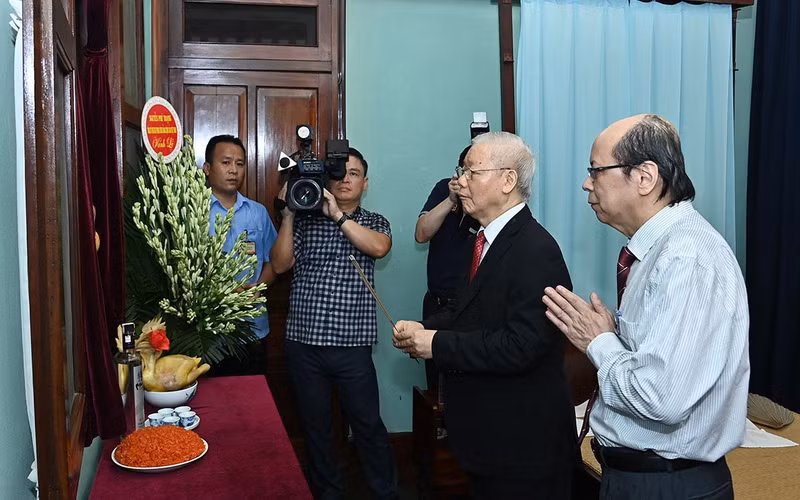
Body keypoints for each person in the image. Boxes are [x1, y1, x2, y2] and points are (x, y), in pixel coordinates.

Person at [542, 114, 749, 500]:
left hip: (667, 484)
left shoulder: (687, 258)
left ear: (644, 177)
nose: (587, 183)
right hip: (642, 479)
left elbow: (662, 398)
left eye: (597, 170)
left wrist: (599, 342)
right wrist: (613, 337)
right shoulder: (654, 251)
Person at [394, 132, 576, 499]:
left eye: (471, 172)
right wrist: (425, 328)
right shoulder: (483, 240)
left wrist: (437, 343)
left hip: (523, 448)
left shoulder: (535, 250)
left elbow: (521, 346)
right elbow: (471, 314)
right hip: (490, 440)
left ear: (507, 180)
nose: (460, 182)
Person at [270, 147, 398, 500]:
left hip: (351, 346)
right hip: (303, 345)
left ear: (365, 183)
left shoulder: (374, 221)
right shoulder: (306, 219)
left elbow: (379, 248)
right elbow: (280, 265)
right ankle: (328, 494)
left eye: (353, 173)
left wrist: (339, 217)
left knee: (368, 426)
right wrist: (290, 216)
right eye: (339, 173)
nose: (345, 179)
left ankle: (385, 493)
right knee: (317, 429)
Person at [203, 134, 277, 375]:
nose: (233, 170)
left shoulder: (258, 213)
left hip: (252, 329)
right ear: (207, 168)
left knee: (251, 403)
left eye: (239, 163)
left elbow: (273, 262)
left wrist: (257, 290)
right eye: (225, 163)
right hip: (206, 334)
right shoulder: (193, 212)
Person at [414, 145, 480, 392]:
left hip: (469, 306)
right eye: (464, 170)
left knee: (466, 383)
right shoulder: (444, 189)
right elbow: (421, 234)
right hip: (437, 302)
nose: (466, 177)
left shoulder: (489, 201)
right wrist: (450, 200)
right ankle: (441, 431)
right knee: (435, 384)